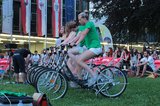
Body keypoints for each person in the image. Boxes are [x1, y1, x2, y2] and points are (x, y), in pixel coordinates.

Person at [67, 12, 102, 87]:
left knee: (78, 59)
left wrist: (76, 43)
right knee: (77, 60)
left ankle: (94, 75)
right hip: (87, 48)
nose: (79, 21)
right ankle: (80, 80)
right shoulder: (82, 27)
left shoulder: (90, 24)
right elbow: (79, 35)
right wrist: (72, 42)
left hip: (95, 47)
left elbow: (83, 34)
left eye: (80, 20)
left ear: (84, 18)